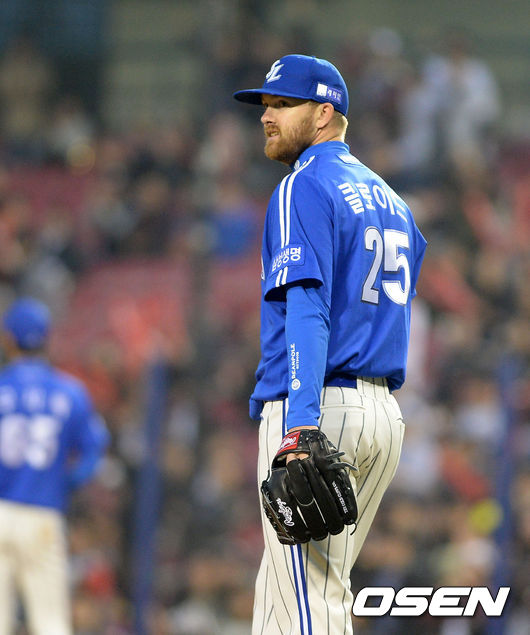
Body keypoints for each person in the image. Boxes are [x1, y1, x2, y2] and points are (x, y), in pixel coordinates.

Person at [233, 54, 427, 634]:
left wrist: (300, 426)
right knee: (288, 598)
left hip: (319, 408)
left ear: (324, 113)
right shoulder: (393, 201)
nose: (267, 116)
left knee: (308, 601)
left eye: (283, 104)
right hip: (381, 414)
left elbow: (308, 310)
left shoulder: (304, 185)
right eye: (265, 105)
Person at [0, 297, 109, 635]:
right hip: (43, 513)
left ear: (8, 339)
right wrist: (66, 482)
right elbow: (95, 450)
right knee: (50, 622)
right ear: (47, 338)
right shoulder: (70, 392)